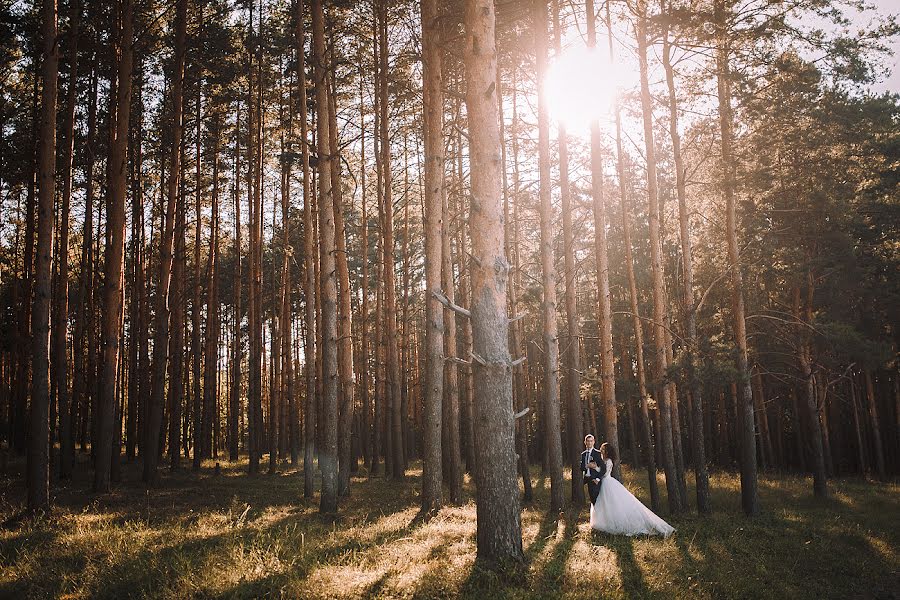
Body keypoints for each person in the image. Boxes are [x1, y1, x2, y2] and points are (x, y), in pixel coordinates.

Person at [590, 442, 675, 537]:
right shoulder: (602, 460)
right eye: (601, 448)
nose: (601, 450)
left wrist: (596, 468)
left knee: (610, 503)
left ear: (607, 451)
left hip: (607, 483)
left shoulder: (609, 461)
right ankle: (602, 521)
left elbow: (604, 474)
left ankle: (613, 523)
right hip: (601, 483)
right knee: (601, 503)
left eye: (603, 449)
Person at [581, 434, 605, 504]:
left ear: (594, 442)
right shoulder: (583, 454)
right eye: (588, 441)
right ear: (585, 442)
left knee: (596, 499)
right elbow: (581, 468)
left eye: (591, 441)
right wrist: (587, 466)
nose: (589, 443)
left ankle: (599, 514)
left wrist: (597, 479)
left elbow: (603, 469)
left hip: (595, 480)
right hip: (587, 479)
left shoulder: (598, 453)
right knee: (592, 499)